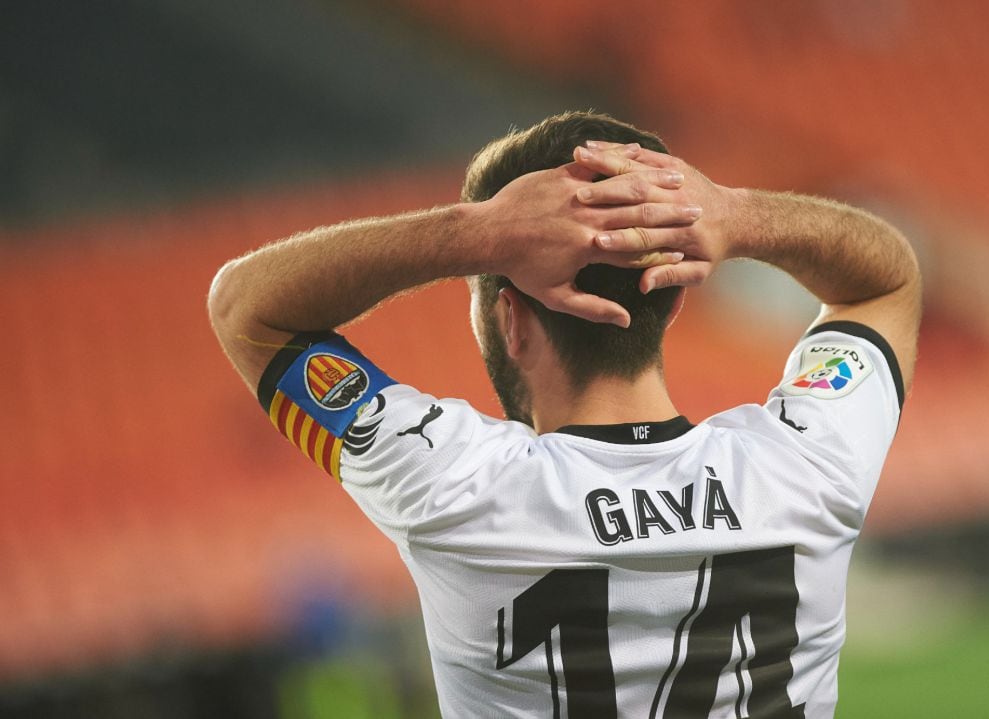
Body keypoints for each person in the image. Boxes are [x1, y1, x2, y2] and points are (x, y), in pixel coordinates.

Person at [208, 111, 920, 718]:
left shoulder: (456, 487)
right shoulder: (806, 465)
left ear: (509, 319)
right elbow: (886, 280)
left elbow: (246, 308)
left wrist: (475, 233)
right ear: (671, 301)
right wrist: (736, 214)